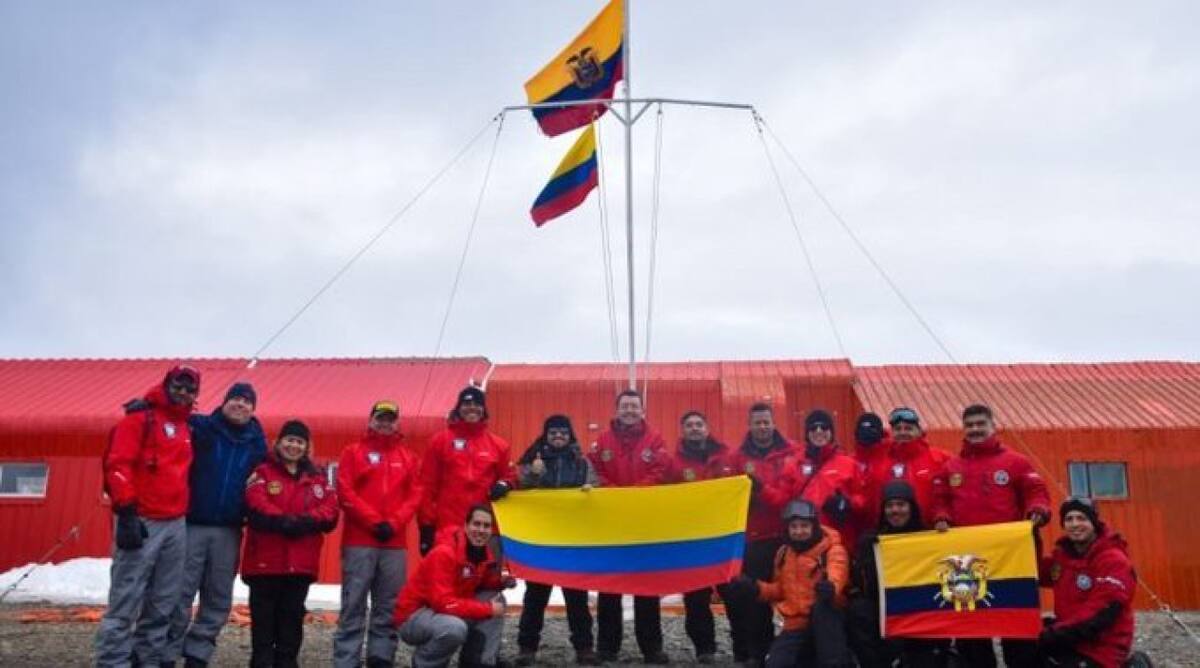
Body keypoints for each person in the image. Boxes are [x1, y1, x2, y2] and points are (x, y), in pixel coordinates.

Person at [931, 403, 1052, 668]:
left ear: (992, 426)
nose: (975, 429)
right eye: (970, 425)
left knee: (1016, 628)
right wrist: (941, 517)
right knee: (972, 630)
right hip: (969, 565)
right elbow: (940, 501)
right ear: (963, 429)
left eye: (980, 424)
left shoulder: (1016, 462)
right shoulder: (951, 467)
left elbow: (1036, 492)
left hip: (1010, 562)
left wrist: (1037, 510)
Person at [95, 365, 199, 668]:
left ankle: (147, 659)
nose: (183, 392)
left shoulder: (187, 427)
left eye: (190, 389)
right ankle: (113, 661)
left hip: (176, 523)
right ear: (167, 385)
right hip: (142, 520)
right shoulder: (138, 419)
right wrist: (126, 511)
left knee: (163, 600)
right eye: (178, 385)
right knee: (126, 598)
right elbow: (117, 464)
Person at [165, 382, 268, 667]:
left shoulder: (258, 442)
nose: (240, 405)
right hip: (192, 524)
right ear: (224, 402)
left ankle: (198, 653)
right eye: (235, 398)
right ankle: (167, 652)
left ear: (253, 409)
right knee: (179, 592)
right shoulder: (201, 427)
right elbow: (171, 416)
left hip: (230, 529)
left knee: (218, 596)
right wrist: (149, 407)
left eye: (247, 401)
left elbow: (277, 472)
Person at [242, 419, 339, 668]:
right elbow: (256, 503)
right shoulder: (262, 471)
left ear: (306, 446)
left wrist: (305, 521)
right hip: (265, 563)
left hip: (300, 565)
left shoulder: (316, 478)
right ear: (279, 443)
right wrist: (284, 521)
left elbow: (330, 509)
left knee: (292, 621)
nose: (294, 445)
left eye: (299, 441)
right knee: (264, 624)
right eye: (289, 440)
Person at [334, 400, 423, 668]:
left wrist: (394, 523)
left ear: (397, 423)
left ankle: (381, 657)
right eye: (380, 418)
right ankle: (346, 660)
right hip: (359, 541)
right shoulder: (352, 452)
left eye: (390, 419)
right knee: (353, 604)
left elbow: (416, 495)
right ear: (370, 420)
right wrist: (374, 522)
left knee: (388, 605)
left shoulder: (409, 457)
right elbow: (344, 491)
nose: (385, 423)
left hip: (394, 544)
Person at [587, 389, 669, 664]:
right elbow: (594, 471)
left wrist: (633, 496)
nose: (630, 410)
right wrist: (617, 496)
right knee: (609, 585)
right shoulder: (603, 441)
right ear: (617, 409)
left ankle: (651, 648)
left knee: (646, 587)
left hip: (644, 522)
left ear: (642, 410)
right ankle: (607, 647)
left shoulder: (655, 439)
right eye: (625, 406)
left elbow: (660, 470)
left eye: (635, 406)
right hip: (611, 524)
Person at [514, 415, 600, 666]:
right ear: (546, 436)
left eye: (563, 432)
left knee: (577, 600)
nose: (558, 436)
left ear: (570, 435)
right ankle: (527, 648)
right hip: (542, 541)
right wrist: (532, 473)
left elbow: (597, 488)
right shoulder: (533, 460)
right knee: (535, 598)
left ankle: (584, 647)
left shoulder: (583, 463)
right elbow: (517, 485)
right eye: (553, 433)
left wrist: (590, 491)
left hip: (573, 543)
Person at [727, 499, 851, 668]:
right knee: (775, 664)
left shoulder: (832, 549)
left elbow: (838, 574)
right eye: (794, 526)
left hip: (827, 622)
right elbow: (780, 591)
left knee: (830, 658)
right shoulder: (783, 553)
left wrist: (830, 588)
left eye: (804, 526)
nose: (799, 531)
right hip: (795, 624)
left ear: (814, 526)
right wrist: (754, 588)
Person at [722, 401, 799, 666]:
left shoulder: (792, 452)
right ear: (750, 425)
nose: (763, 427)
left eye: (766, 422)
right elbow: (728, 492)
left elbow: (792, 492)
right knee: (756, 598)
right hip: (755, 537)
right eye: (758, 422)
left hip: (788, 536)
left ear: (773, 422)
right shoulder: (737, 457)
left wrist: (762, 490)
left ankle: (799, 648)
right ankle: (758, 652)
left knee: (795, 593)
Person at [847, 480, 950, 668]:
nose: (895, 510)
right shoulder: (870, 540)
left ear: (911, 508)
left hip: (922, 610)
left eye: (901, 505)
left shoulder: (928, 537)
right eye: (889, 506)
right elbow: (859, 584)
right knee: (858, 610)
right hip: (883, 612)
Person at [395, 505, 510, 668]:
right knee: (454, 628)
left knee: (496, 599)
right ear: (465, 526)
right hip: (413, 616)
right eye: (476, 524)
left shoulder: (483, 554)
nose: (481, 530)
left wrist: (502, 582)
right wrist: (487, 609)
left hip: (442, 611)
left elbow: (479, 581)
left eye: (486, 526)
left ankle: (477, 662)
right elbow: (443, 603)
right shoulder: (444, 553)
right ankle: (425, 663)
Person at [664, 410, 734, 664]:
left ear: (707, 428)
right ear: (682, 431)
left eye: (699, 424)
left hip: (724, 537)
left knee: (733, 594)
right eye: (689, 425)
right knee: (696, 598)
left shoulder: (728, 457)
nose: (694, 428)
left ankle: (742, 647)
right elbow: (665, 496)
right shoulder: (673, 463)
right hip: (691, 540)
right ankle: (705, 649)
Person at [1038, 497, 1137, 668]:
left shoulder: (1112, 559)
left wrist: (1055, 633)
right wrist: (1030, 534)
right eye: (1069, 519)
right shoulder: (1063, 558)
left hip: (1101, 649)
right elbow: (1032, 572)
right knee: (1023, 652)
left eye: (1081, 518)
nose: (1075, 524)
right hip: (1071, 640)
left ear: (1094, 522)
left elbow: (1102, 612)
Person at [417, 386, 516, 552]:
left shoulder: (499, 445)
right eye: (467, 403)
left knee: (486, 577)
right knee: (446, 576)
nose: (472, 407)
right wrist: (426, 527)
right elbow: (426, 486)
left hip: (485, 530)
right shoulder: (439, 441)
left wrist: (506, 484)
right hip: (448, 529)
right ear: (458, 408)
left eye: (477, 404)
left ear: (483, 410)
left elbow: (510, 475)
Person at [764, 409, 863, 548]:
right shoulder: (794, 464)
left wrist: (846, 503)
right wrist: (762, 489)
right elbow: (783, 499)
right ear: (807, 433)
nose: (818, 431)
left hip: (837, 540)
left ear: (831, 432)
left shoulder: (849, 464)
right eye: (813, 428)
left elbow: (862, 498)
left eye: (824, 427)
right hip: (803, 540)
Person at [862, 407, 950, 530]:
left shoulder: (940, 459)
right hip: (891, 535)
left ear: (919, 431)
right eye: (898, 429)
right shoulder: (880, 463)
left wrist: (942, 516)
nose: (903, 432)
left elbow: (949, 494)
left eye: (908, 428)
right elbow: (874, 501)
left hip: (932, 531)